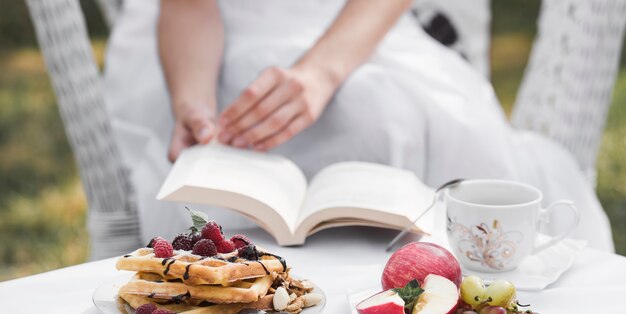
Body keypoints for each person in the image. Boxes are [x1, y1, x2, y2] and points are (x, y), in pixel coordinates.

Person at [103, 0, 614, 251]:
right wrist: (193, 104)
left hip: (359, 29)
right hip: (217, 41)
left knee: (393, 118)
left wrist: (320, 72)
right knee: (253, 151)